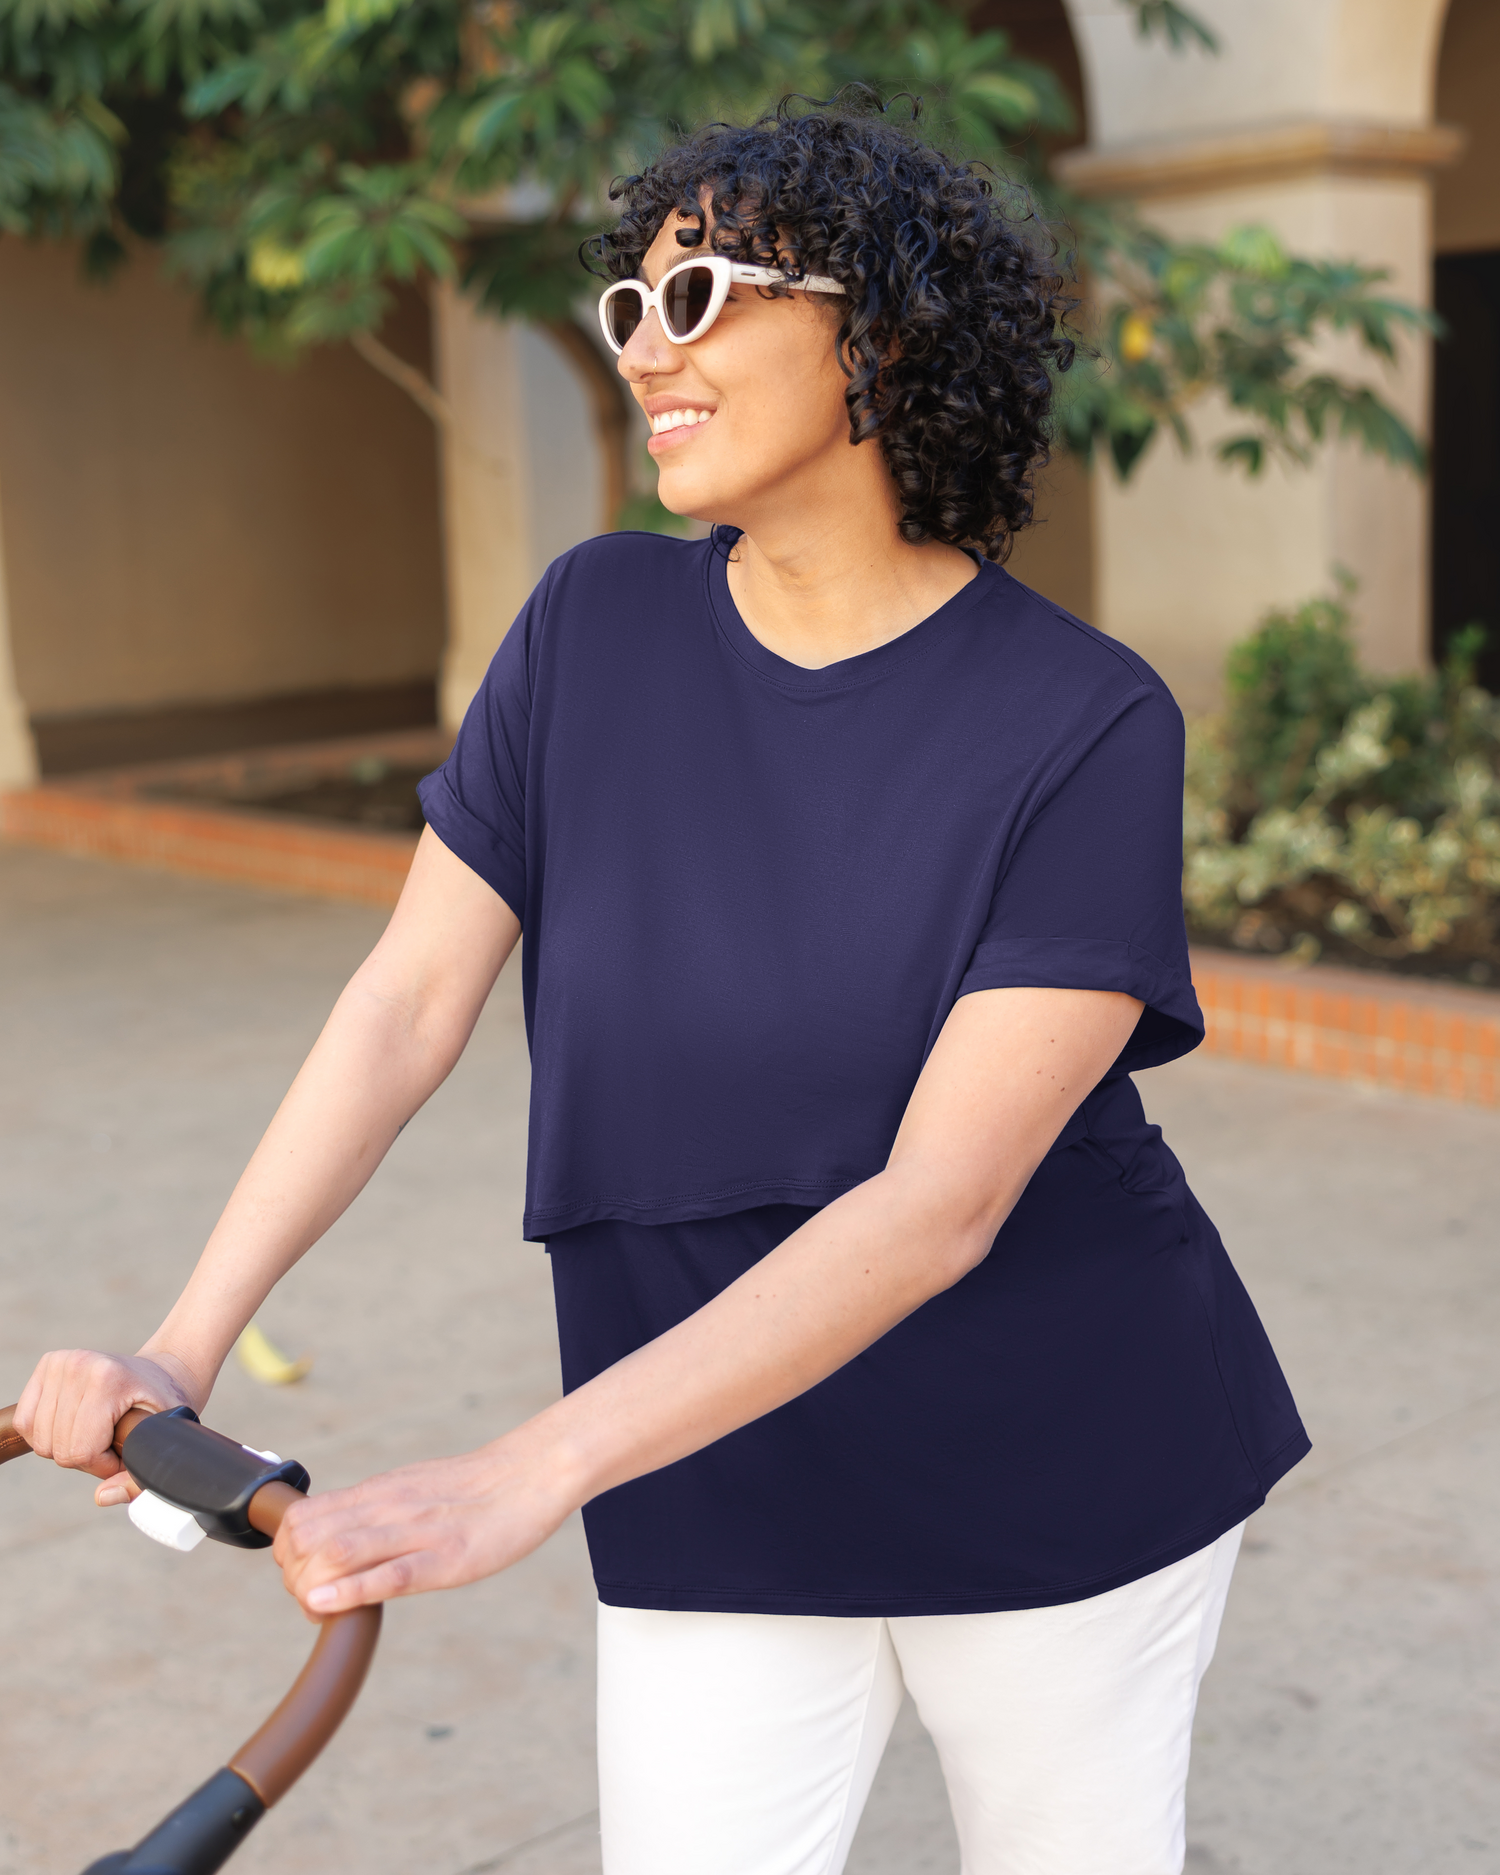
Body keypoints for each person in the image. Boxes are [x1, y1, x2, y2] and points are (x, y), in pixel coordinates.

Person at [15, 105, 1308, 1875]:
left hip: (1053, 1463)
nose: (645, 343)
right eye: (630, 299)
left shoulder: (1082, 722)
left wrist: (523, 1468)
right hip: (707, 1459)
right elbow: (405, 1004)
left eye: (701, 291)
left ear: (889, 334)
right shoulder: (588, 630)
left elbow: (939, 1206)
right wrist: (183, 1336)